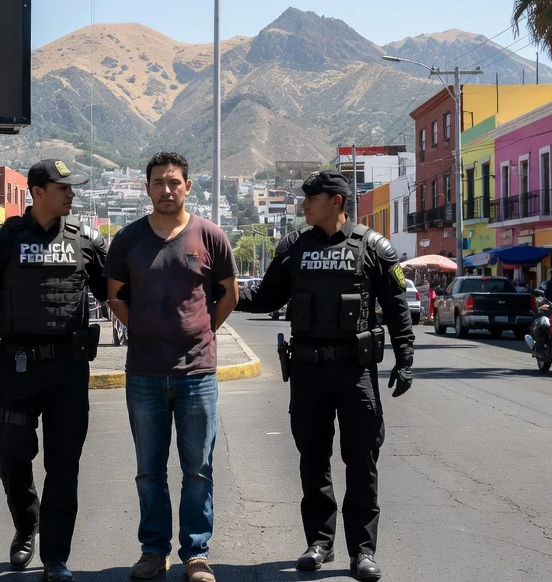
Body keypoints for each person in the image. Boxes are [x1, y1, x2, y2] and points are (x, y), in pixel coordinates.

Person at [235, 171, 413, 581]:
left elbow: (397, 305)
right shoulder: (294, 247)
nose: (303, 205)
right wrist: (222, 292)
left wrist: (405, 359)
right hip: (309, 371)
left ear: (335, 201)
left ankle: (362, 552)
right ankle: (319, 543)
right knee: (313, 462)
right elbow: (266, 297)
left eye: (310, 198)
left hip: (355, 372)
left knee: (361, 463)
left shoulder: (372, 247)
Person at [0, 159, 109, 582]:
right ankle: (27, 526)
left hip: (68, 371)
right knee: (11, 455)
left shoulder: (88, 243)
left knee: (64, 466)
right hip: (19, 370)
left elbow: (118, 295)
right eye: (64, 188)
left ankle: (56, 557)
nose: (72, 195)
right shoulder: (3, 241)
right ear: (38, 191)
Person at [104, 152, 237, 582]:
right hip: (144, 372)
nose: (166, 189)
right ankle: (153, 550)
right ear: (147, 188)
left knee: (198, 468)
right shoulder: (127, 240)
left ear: (188, 186)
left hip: (198, 373)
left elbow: (229, 294)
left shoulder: (210, 236)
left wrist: (203, 331)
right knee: (149, 469)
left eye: (174, 182)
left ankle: (196, 555)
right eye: (158, 182)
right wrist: (143, 329)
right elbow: (115, 297)